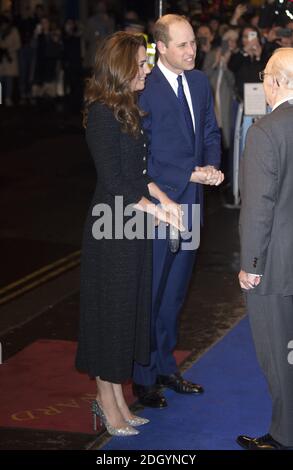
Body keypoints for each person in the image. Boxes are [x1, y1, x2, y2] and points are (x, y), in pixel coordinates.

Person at [75, 32, 184, 436]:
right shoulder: (103, 112)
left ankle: (118, 398)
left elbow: (139, 176)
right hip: (110, 229)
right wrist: (158, 210)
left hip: (131, 224)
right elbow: (117, 184)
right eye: (140, 64)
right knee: (111, 315)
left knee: (130, 312)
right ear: (121, 68)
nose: (147, 70)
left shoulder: (128, 109)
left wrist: (164, 200)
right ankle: (106, 401)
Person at [132, 14, 224, 408]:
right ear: (162, 48)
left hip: (193, 200)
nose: (193, 51)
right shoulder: (143, 87)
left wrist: (211, 166)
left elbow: (209, 131)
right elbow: (140, 155)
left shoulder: (200, 82)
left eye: (194, 43)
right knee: (150, 292)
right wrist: (187, 172)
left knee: (175, 293)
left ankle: (167, 367)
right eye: (183, 45)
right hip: (155, 204)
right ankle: (143, 376)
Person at [238, 47, 293, 450]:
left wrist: (250, 265)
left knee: (279, 354)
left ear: (275, 81)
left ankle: (283, 434)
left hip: (276, 264)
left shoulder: (265, 131)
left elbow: (258, 208)